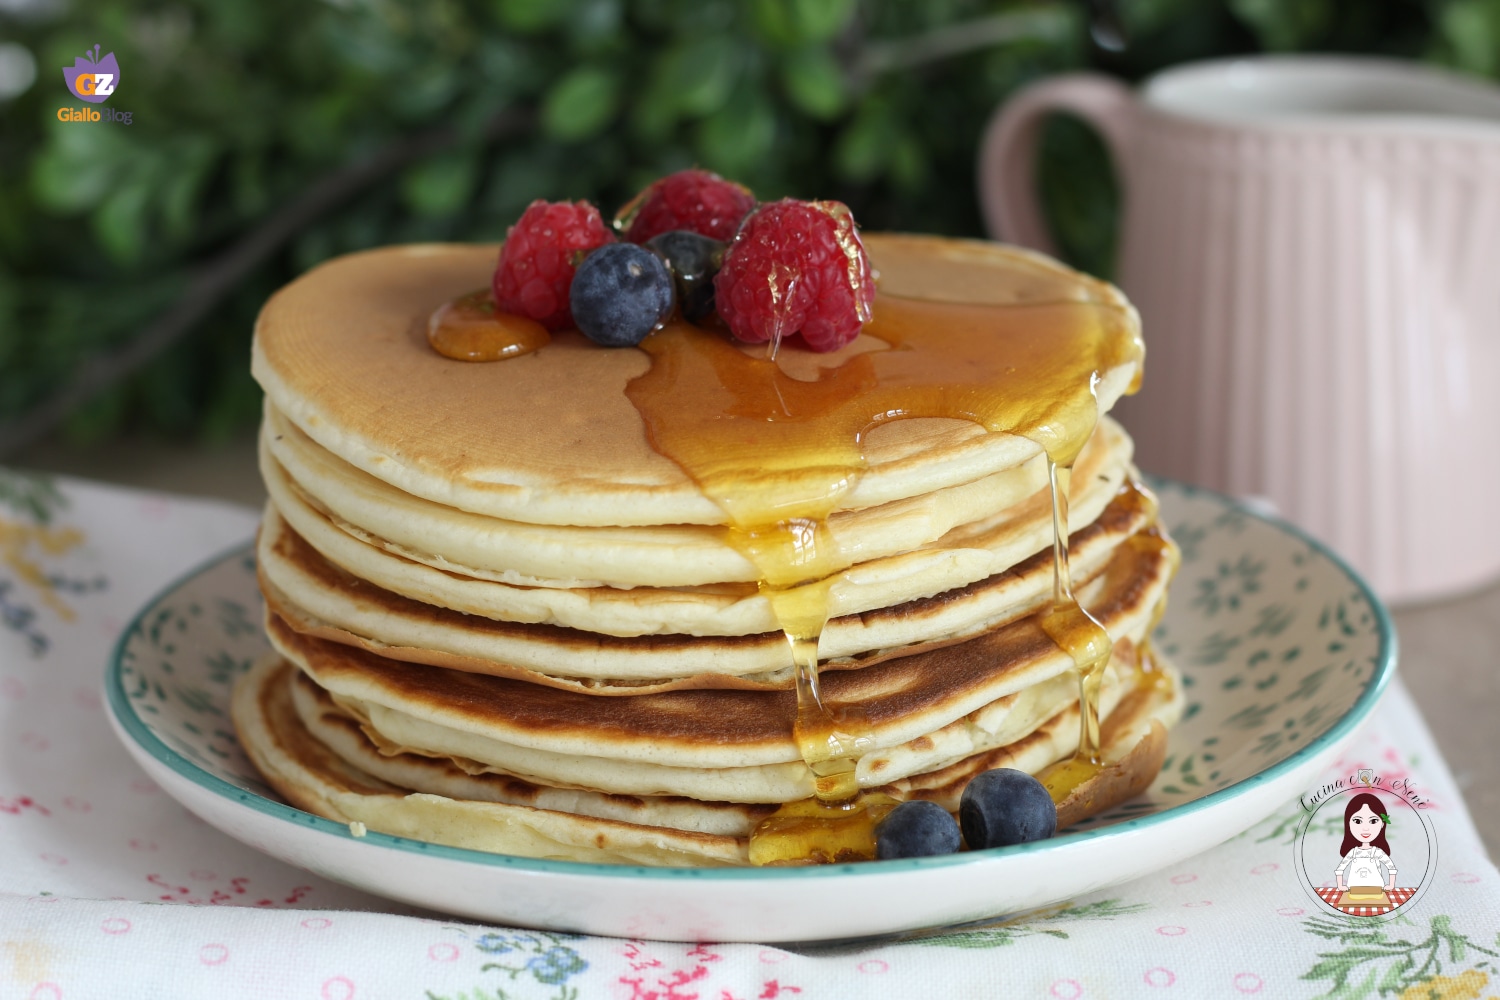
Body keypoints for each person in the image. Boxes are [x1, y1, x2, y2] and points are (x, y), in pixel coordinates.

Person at [1335, 792, 1397, 900]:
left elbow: (1391, 868)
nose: (1365, 828)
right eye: (1357, 821)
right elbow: (1340, 869)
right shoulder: (1353, 852)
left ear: (1382, 824)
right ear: (1348, 823)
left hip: (1376, 890)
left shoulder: (1377, 852)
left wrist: (1390, 885)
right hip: (1354, 890)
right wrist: (1340, 885)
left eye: (1373, 821)